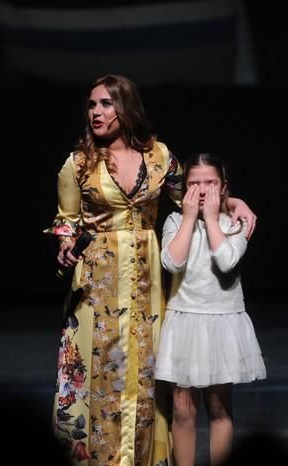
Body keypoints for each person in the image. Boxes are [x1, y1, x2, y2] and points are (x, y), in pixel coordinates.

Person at [44, 75, 257, 466]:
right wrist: (64, 245)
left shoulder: (159, 157)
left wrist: (232, 201)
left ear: (126, 108)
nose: (96, 112)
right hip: (99, 283)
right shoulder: (78, 163)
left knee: (147, 378)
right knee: (100, 373)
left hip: (147, 282)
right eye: (91, 105)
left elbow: (190, 194)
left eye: (106, 104)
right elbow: (66, 220)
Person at [155, 153, 266, 466]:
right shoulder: (176, 221)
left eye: (210, 183)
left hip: (221, 322)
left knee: (218, 407)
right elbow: (172, 262)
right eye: (194, 183)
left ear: (224, 186)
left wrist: (214, 218)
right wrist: (190, 218)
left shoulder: (236, 223)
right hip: (184, 321)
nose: (202, 189)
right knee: (182, 407)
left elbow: (226, 260)